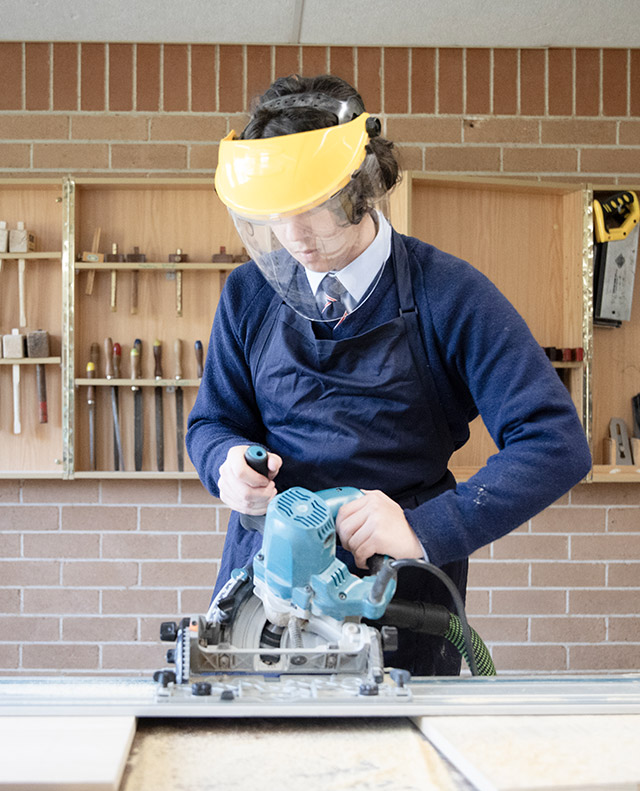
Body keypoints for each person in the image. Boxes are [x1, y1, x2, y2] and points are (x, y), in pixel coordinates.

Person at [186, 73, 592, 676]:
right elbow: (213, 421)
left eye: (314, 208)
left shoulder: (449, 293)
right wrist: (224, 463)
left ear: (361, 186)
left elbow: (555, 442)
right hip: (265, 587)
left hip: (399, 586)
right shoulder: (249, 294)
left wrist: (426, 530)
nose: (293, 236)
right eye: (274, 214)